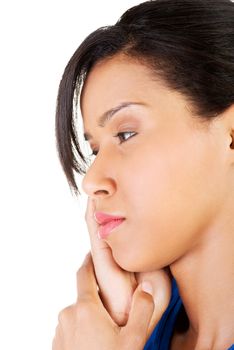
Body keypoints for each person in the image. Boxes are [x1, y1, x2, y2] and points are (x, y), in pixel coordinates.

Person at [52, 0, 234, 349]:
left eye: (125, 134)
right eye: (94, 150)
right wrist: (122, 319)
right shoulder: (116, 336)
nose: (91, 181)